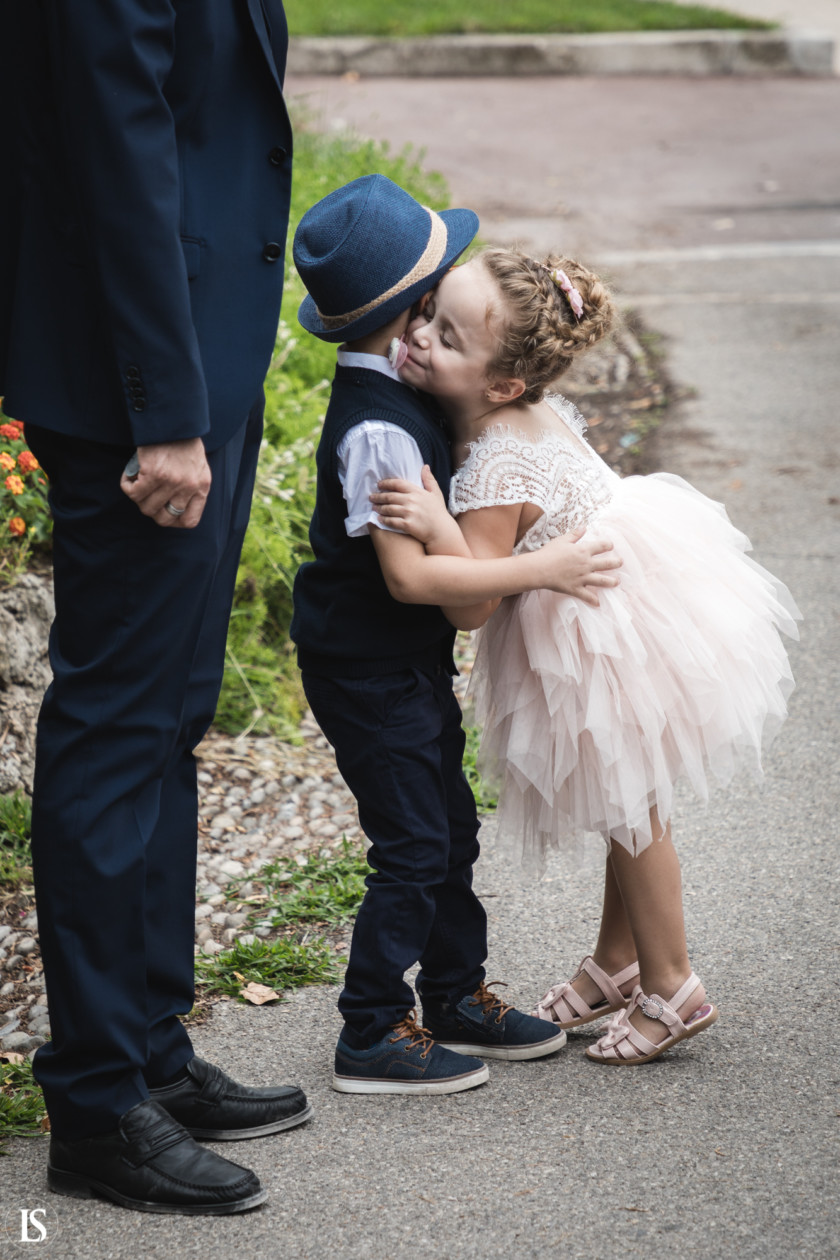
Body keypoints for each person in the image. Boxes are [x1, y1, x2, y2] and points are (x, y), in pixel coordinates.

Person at [0, 0, 310, 1215]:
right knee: (119, 727)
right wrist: (165, 410)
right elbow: (114, 152)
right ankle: (94, 1100)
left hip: (199, 350)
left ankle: (149, 1048)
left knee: (171, 715)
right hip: (143, 381)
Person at [371, 246, 800, 1065]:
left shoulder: (497, 464)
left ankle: (673, 984)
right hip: (636, 592)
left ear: (501, 385)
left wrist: (432, 524)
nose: (423, 338)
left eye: (451, 339)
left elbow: (469, 603)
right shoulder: (532, 411)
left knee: (633, 812)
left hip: (595, 630)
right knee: (624, 795)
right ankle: (618, 958)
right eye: (429, 317)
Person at [290, 175, 623, 1094]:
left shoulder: (405, 393)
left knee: (446, 827)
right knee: (412, 843)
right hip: (365, 666)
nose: (436, 325)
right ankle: (369, 1031)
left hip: (399, 664)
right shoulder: (380, 435)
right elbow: (410, 577)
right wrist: (540, 569)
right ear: (407, 317)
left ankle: (452, 995)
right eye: (431, 309)